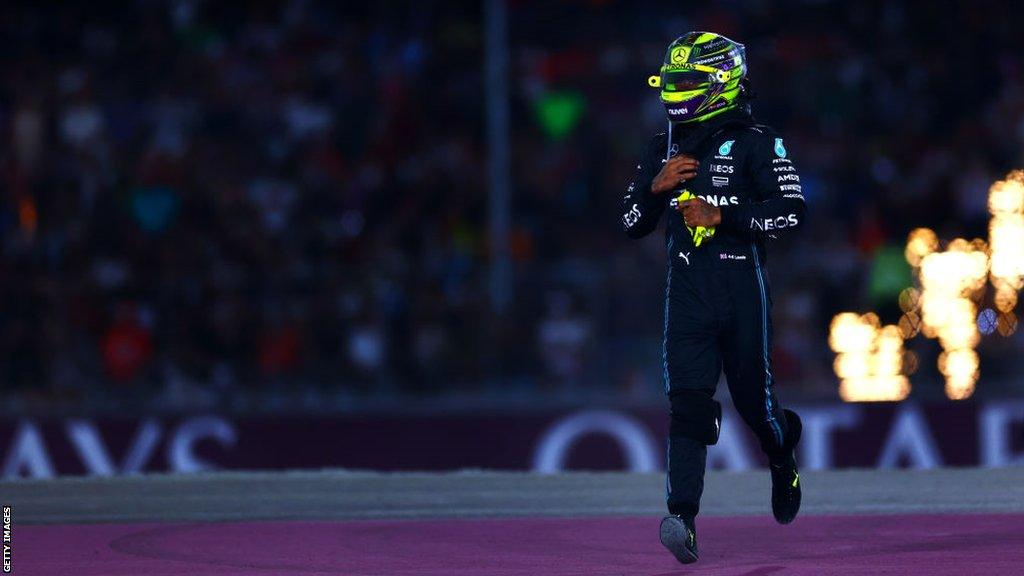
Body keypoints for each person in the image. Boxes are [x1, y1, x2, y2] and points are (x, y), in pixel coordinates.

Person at [620, 31, 806, 564]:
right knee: (688, 407)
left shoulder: (758, 142)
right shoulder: (662, 147)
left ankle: (782, 452)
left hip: (742, 292)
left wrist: (722, 214)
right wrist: (654, 190)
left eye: (687, 81)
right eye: (671, 80)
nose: (675, 91)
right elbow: (630, 223)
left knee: (758, 408)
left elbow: (793, 213)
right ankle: (682, 518)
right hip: (687, 297)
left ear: (722, 82)